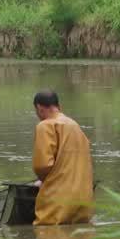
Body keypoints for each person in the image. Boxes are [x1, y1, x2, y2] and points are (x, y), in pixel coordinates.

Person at [30, 90, 94, 225]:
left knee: (48, 235)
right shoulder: (74, 125)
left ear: (39, 108)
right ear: (59, 106)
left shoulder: (45, 125)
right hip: (83, 199)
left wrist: (42, 180)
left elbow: (43, 165)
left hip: (58, 201)